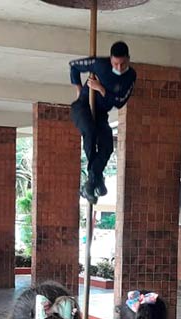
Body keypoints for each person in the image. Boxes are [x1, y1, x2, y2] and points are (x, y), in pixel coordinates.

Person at [70, 41, 137, 204]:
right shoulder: (100, 64)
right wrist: (79, 90)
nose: (119, 67)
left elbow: (120, 102)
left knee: (107, 145)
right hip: (82, 107)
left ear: (128, 59)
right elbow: (74, 66)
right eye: (115, 63)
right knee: (90, 132)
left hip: (101, 113)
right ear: (110, 59)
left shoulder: (130, 76)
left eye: (122, 64)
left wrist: (101, 89)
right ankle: (95, 180)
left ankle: (93, 181)